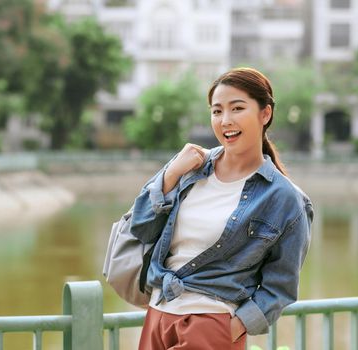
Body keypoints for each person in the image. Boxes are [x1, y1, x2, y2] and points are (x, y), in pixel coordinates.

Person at [130, 67, 313, 349]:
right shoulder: (190, 169)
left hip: (211, 325)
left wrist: (232, 328)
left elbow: (281, 287)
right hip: (158, 316)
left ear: (265, 114)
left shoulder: (285, 199)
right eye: (217, 111)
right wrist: (169, 176)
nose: (225, 121)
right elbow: (141, 228)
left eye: (237, 108)